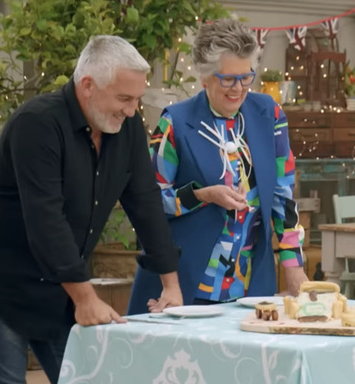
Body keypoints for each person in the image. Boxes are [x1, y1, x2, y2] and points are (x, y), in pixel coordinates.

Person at [0, 35, 183, 384]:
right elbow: (45, 220)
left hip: (56, 282)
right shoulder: (36, 124)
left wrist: (170, 283)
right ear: (87, 85)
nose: (132, 110)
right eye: (124, 98)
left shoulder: (125, 129)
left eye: (137, 100)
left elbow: (144, 202)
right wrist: (85, 299)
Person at [127, 19, 308, 313]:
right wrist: (202, 195)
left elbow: (282, 195)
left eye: (246, 77)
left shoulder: (270, 115)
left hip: (251, 289)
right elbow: (149, 202)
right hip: (184, 286)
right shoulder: (175, 123)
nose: (239, 88)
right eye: (228, 79)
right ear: (205, 77)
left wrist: (294, 267)